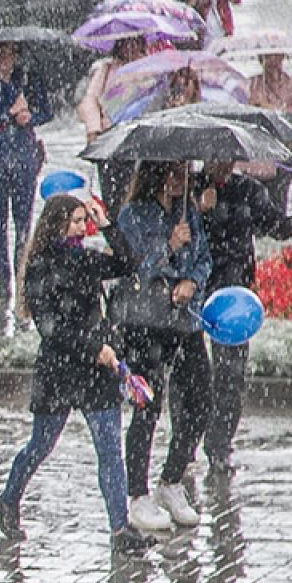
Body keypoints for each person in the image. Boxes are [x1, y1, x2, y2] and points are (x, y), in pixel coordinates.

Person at [0, 195, 149, 552]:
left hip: (96, 373)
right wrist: (94, 350)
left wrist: (107, 224)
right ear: (57, 222)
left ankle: (120, 529)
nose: (82, 227)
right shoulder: (41, 266)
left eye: (84, 220)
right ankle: (8, 500)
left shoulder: (84, 259)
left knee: (110, 450)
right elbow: (50, 329)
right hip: (61, 370)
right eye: (76, 221)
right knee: (41, 444)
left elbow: (127, 263)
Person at [114, 161, 212, 533]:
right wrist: (169, 246)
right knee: (147, 405)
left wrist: (191, 281)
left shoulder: (188, 211)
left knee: (201, 398)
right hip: (147, 324)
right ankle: (137, 493)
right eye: (171, 172)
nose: (178, 179)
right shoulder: (133, 214)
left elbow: (204, 259)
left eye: (181, 172)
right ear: (155, 173)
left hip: (184, 321)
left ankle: (171, 480)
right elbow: (134, 267)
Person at [194, 163, 292, 473]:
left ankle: (219, 448)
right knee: (192, 376)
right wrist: (199, 210)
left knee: (231, 377)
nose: (224, 164)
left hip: (234, 295)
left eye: (230, 157)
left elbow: (279, 228)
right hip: (193, 290)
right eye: (217, 157)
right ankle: (187, 443)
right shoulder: (188, 187)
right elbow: (172, 239)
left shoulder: (248, 190)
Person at [0, 41, 55, 298]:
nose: (5, 59)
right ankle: (2, 275)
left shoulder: (27, 80)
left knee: (24, 218)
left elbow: (45, 111)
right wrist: (7, 115)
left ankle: (23, 266)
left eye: (10, 54)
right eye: (0, 54)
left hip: (24, 155)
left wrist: (29, 116)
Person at [78, 37, 148, 208]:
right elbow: (90, 100)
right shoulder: (106, 69)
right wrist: (94, 130)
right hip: (111, 138)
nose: (130, 47)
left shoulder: (150, 68)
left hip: (140, 139)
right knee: (111, 194)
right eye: (126, 43)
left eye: (135, 42)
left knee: (136, 191)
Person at [248, 53, 292, 121]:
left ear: (282, 57)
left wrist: (277, 110)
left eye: (276, 56)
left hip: (283, 129)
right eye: (267, 57)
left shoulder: (291, 84)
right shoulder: (253, 83)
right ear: (261, 60)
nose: (272, 60)